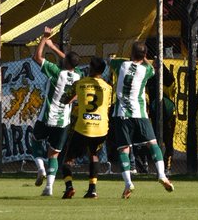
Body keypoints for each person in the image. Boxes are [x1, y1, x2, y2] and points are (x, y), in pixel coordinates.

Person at [109, 41, 175, 198]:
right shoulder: (146, 70)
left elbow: (110, 60)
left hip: (122, 114)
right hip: (140, 113)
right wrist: (145, 58)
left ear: (131, 53)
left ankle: (128, 183)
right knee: (153, 144)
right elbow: (153, 68)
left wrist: (120, 57)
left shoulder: (121, 65)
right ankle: (161, 175)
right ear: (144, 55)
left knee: (124, 149)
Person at [31, 27, 81, 197]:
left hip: (46, 117)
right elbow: (72, 64)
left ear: (65, 62)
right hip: (63, 122)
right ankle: (49, 187)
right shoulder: (79, 76)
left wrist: (45, 40)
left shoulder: (56, 72)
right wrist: (54, 48)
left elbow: (37, 57)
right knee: (54, 154)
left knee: (36, 142)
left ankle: (40, 169)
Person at [59, 56, 113, 199]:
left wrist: (76, 97)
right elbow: (107, 107)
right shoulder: (108, 88)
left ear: (91, 68)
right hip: (101, 128)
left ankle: (69, 187)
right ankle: (92, 190)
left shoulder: (79, 83)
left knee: (68, 159)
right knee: (94, 155)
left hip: (83, 127)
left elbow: (64, 100)